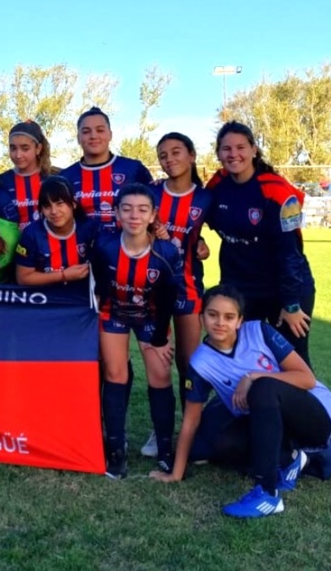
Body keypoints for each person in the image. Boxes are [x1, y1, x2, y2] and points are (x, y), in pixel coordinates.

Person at [150, 285, 331, 519]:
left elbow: (307, 379)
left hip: (313, 413)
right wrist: (175, 475)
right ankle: (292, 459)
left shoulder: (259, 331)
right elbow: (190, 421)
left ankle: (267, 493)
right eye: (212, 315)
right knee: (221, 442)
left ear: (240, 321)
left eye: (229, 317)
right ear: (201, 318)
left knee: (262, 388)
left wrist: (253, 376)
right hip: (270, 423)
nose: (220, 322)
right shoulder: (200, 363)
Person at [91, 183, 186, 479]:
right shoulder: (104, 246)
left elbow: (170, 298)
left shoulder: (166, 252)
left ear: (153, 215)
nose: (134, 215)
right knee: (115, 375)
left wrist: (159, 338)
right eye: (127, 209)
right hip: (114, 314)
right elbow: (98, 288)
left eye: (142, 209)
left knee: (159, 377)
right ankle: (116, 450)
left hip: (152, 317)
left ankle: (166, 450)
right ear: (117, 213)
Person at [206, 121, 315, 364]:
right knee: (243, 357)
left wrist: (291, 304)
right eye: (226, 149)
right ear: (219, 153)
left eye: (241, 147)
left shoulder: (276, 190)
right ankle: (250, 403)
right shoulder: (217, 185)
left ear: (254, 149)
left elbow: (290, 253)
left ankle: (311, 403)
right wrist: (198, 241)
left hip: (283, 289)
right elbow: (200, 215)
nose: (234, 154)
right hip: (241, 289)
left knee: (293, 361)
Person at [141, 132, 213, 459]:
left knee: (188, 363)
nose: (169, 160)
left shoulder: (205, 199)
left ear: (192, 155)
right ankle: (160, 432)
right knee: (158, 365)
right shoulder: (152, 192)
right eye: (163, 155)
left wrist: (201, 246)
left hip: (187, 287)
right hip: (151, 287)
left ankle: (194, 433)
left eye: (175, 153)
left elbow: (213, 233)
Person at [60, 107, 154, 232]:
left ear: (110, 135)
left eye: (100, 130)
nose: (93, 136)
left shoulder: (134, 169)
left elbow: (153, 208)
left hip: (126, 248)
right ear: (78, 138)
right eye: (86, 131)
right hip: (82, 249)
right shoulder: (65, 177)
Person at [14, 175, 98, 300]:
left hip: (81, 302)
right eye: (47, 206)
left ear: (73, 204)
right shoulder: (31, 234)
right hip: (45, 302)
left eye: (60, 204)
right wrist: (63, 275)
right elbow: (23, 278)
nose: (54, 211)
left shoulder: (90, 229)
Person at [0, 121, 59, 229]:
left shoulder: (57, 177)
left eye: (25, 148)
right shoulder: (1, 182)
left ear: (38, 148)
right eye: (13, 148)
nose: (18, 155)